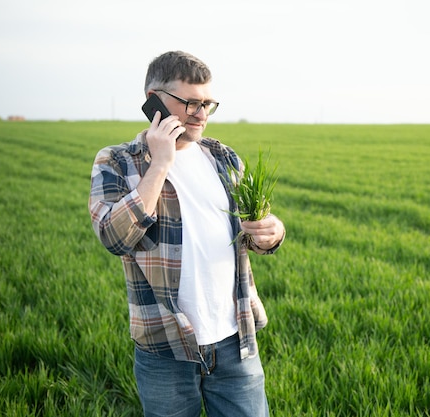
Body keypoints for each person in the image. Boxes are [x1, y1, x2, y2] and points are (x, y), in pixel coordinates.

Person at [89, 50, 285, 417]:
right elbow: (114, 239)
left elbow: (251, 235)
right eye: (190, 103)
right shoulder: (116, 161)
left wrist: (271, 234)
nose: (201, 114)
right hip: (165, 348)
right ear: (153, 102)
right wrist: (161, 162)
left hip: (236, 341)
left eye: (208, 104)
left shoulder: (225, 158)